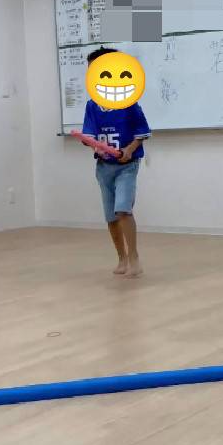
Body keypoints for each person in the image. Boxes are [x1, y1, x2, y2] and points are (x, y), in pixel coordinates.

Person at [82, 47, 151, 278]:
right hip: (104, 168)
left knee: (123, 210)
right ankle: (121, 258)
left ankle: (134, 257)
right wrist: (95, 147)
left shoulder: (129, 102)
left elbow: (142, 132)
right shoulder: (92, 105)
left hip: (127, 167)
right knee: (111, 217)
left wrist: (129, 150)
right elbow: (89, 135)